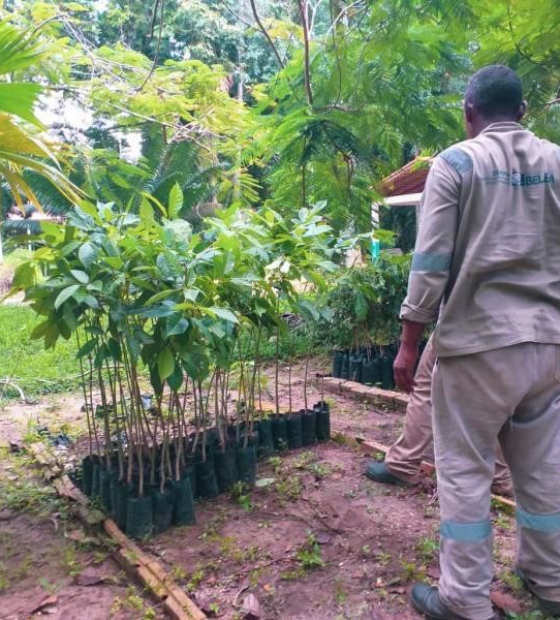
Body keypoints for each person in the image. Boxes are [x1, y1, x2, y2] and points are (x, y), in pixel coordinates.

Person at [393, 65, 560, 620]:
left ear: (469, 113)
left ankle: (463, 599)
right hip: (548, 346)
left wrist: (409, 341)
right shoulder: (558, 160)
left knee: (465, 470)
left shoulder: (456, 163)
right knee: (542, 471)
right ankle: (550, 580)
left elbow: (432, 261)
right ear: (523, 112)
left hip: (477, 348)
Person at [364, 335, 513, 497]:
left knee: (427, 388)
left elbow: (420, 308)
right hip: (519, 332)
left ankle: (402, 464)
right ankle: (499, 477)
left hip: (467, 323)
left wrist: (408, 346)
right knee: (497, 396)